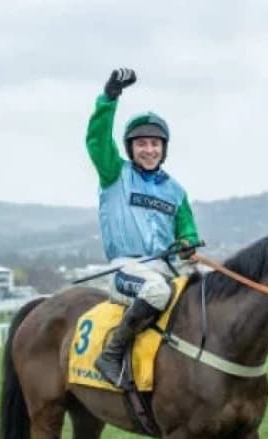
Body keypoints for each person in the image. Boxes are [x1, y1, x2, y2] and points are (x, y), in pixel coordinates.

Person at [86, 67, 202, 386]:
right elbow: (97, 140)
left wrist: (188, 243)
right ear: (130, 148)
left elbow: (187, 230)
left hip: (168, 267)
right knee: (156, 289)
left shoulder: (176, 190)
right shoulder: (114, 173)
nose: (148, 149)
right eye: (141, 144)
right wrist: (109, 98)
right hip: (128, 269)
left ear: (164, 148)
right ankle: (110, 355)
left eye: (155, 143)